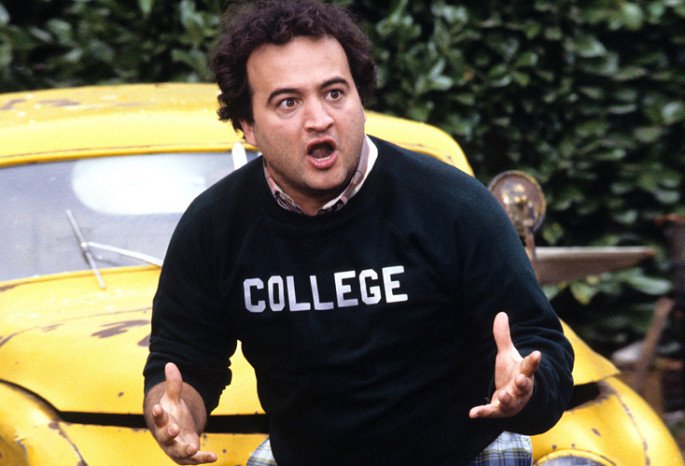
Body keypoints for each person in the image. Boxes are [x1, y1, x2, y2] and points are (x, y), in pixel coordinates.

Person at [142, 1, 574, 465]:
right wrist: (175, 414)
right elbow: (182, 365)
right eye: (288, 102)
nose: (319, 119)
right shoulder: (214, 227)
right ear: (248, 126)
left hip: (466, 454)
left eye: (334, 93)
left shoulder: (454, 206)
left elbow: (539, 345)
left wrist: (525, 392)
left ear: (360, 100)